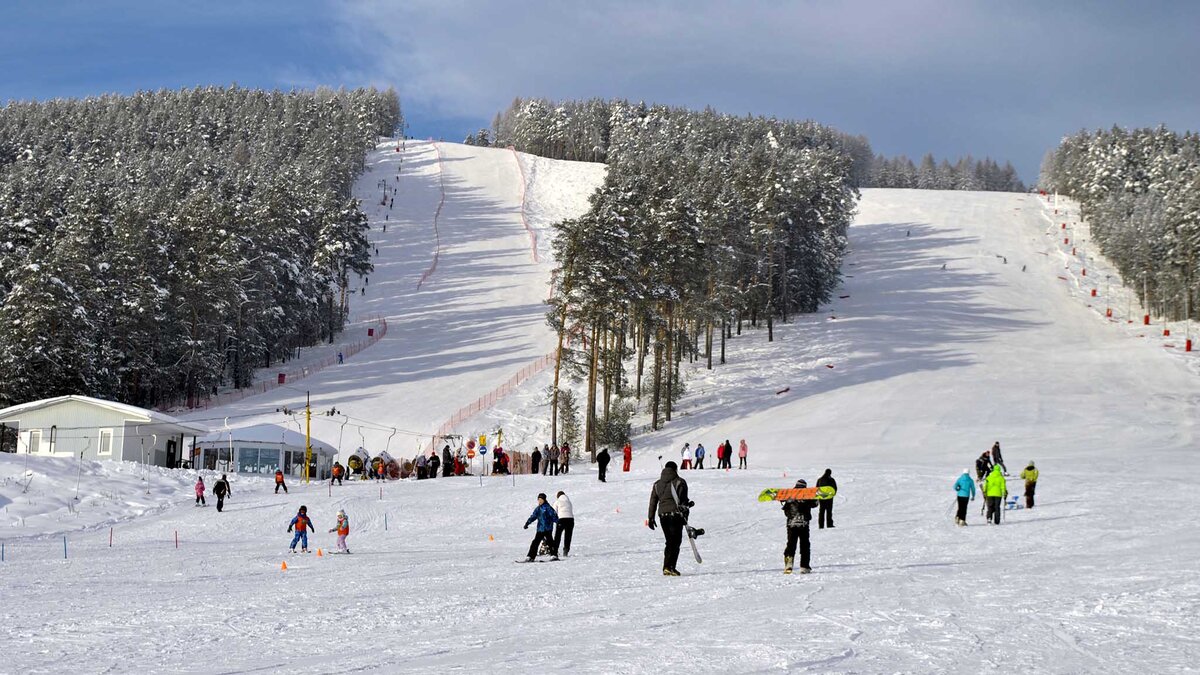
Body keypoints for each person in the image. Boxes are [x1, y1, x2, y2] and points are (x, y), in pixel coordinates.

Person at [647, 461, 690, 576]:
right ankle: (670, 567)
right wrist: (685, 517)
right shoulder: (680, 482)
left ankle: (667, 566)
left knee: (669, 541)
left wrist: (650, 518)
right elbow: (683, 501)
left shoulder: (657, 484)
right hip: (675, 515)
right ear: (675, 469)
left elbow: (653, 502)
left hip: (662, 516)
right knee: (675, 541)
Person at [781, 479, 817, 574]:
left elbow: (785, 510)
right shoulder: (808, 495)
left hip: (791, 524)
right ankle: (804, 566)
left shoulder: (789, 496)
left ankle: (788, 565)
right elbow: (815, 504)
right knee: (804, 545)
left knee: (791, 545)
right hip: (804, 524)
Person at [523, 493, 559, 562]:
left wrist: (558, 522)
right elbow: (533, 516)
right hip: (540, 529)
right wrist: (527, 523)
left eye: (541, 499)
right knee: (535, 542)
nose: (539, 501)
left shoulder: (548, 507)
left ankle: (554, 555)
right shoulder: (538, 509)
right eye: (538, 499)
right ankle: (530, 556)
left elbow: (553, 516)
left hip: (547, 528)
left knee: (550, 542)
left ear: (544, 500)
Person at [553, 491, 575, 557]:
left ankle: (555, 551)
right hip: (571, 520)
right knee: (568, 536)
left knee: (558, 536)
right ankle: (566, 551)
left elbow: (553, 511)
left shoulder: (558, 501)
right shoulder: (569, 502)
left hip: (562, 519)